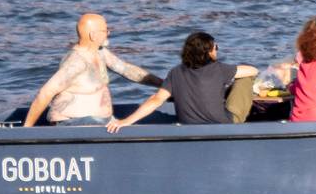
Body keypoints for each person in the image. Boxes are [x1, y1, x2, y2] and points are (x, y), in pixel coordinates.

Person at [22, 13, 161, 128]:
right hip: (73, 124)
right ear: (93, 35)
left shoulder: (100, 52)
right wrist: (26, 131)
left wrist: (164, 85)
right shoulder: (76, 62)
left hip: (98, 121)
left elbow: (127, 70)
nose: (108, 33)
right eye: (105, 30)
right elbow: (45, 92)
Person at [110, 31, 260, 131]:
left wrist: (126, 121)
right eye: (216, 48)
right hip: (225, 124)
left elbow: (155, 99)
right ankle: (254, 91)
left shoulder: (175, 72)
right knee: (245, 78)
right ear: (209, 52)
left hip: (188, 126)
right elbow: (253, 70)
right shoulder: (220, 69)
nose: (217, 50)